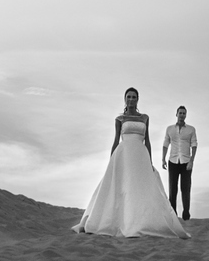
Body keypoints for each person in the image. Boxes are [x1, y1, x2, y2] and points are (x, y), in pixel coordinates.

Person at [73, 89, 190, 238]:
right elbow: (116, 140)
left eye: (134, 97)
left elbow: (147, 140)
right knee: (122, 187)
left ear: (138, 99)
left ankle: (139, 222)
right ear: (124, 99)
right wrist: (111, 160)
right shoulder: (119, 119)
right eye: (128, 97)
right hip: (123, 154)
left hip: (140, 154)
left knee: (139, 187)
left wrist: (150, 160)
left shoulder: (145, 118)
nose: (131, 99)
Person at [161, 105, 197, 220]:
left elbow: (194, 145)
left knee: (185, 188)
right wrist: (163, 159)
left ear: (186, 115)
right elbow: (165, 144)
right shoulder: (169, 129)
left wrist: (191, 161)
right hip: (173, 161)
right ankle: (173, 215)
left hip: (186, 162)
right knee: (172, 188)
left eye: (184, 113)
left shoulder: (191, 129)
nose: (182, 115)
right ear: (176, 114)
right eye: (180, 113)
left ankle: (186, 214)